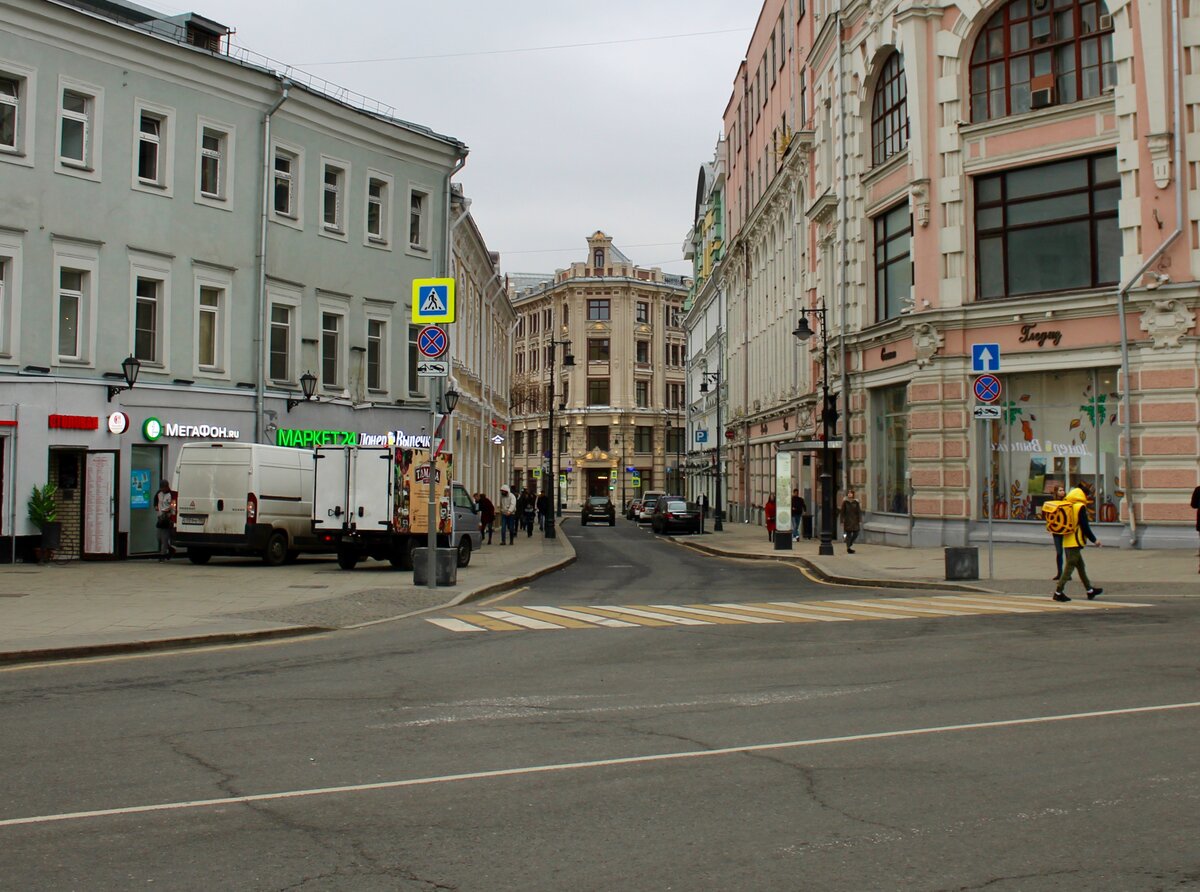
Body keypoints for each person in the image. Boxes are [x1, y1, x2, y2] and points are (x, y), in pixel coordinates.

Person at [1053, 482, 1103, 602]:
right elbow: (1084, 526)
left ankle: (1089, 590)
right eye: (1087, 496)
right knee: (1070, 566)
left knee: (1080, 566)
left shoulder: (1068, 505)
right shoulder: (1079, 507)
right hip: (1075, 541)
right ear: (1082, 495)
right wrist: (1094, 540)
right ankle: (1058, 592)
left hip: (1067, 540)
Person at [1047, 484, 1067, 579]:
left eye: (1063, 490)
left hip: (1066, 530)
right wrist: (1050, 527)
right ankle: (1059, 572)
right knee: (1059, 552)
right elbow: (1049, 516)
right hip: (1056, 530)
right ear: (1056, 492)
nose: (1062, 492)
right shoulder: (1053, 503)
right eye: (1060, 490)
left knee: (1068, 553)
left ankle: (1067, 573)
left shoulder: (1067, 502)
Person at [154, 479, 173, 561]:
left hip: (167, 518)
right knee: (158, 537)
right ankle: (170, 549)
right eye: (161, 488)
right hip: (160, 517)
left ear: (167, 487)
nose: (163, 490)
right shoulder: (159, 493)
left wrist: (170, 514)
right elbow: (155, 501)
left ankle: (162, 556)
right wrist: (156, 508)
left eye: (164, 488)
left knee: (164, 538)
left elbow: (173, 506)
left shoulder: (171, 495)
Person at [839, 489, 862, 554]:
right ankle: (848, 547)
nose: (850, 494)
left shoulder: (856, 502)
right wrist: (842, 520)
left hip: (855, 521)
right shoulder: (845, 502)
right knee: (847, 534)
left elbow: (859, 511)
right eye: (848, 493)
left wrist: (860, 519)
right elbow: (842, 512)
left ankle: (850, 543)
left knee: (856, 532)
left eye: (851, 493)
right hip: (847, 520)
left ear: (853, 494)